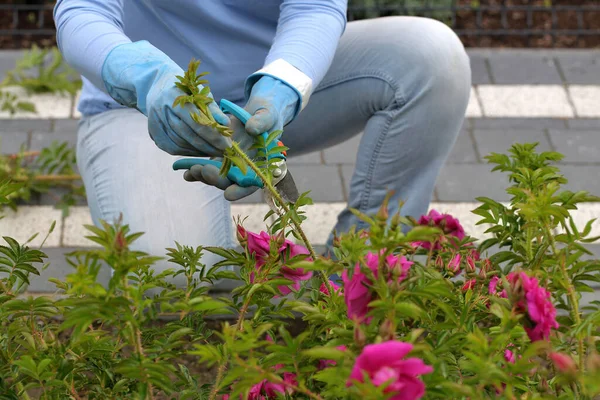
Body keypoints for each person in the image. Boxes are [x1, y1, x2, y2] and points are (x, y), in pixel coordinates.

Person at [53, 1, 471, 287]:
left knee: (430, 58)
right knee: (170, 272)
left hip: (269, 81)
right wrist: (146, 80)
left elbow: (315, 6)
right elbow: (81, 11)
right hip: (146, 107)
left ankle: (362, 277)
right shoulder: (146, 92)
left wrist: (281, 88)